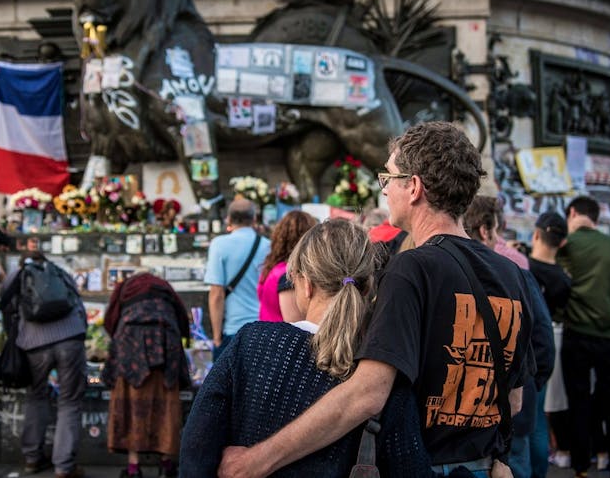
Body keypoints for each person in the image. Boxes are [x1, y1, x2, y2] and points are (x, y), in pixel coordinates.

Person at [218, 121, 531, 478]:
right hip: (484, 467)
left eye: (388, 178)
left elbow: (366, 394)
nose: (384, 191)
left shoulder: (411, 269)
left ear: (413, 187)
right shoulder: (512, 275)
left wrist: (257, 461)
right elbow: (515, 400)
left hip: (421, 466)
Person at [184, 218, 445, 477]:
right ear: (368, 288)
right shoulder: (380, 373)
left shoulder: (252, 343)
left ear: (306, 284)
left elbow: (197, 447)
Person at [463, 197, 555, 478]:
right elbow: (542, 337)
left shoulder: (448, 270)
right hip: (505, 406)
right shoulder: (514, 272)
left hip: (470, 413)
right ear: (485, 230)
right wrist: (531, 381)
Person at [556, 196, 610, 478]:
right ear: (596, 217)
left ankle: (581, 467)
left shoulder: (565, 247)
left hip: (575, 335)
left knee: (577, 403)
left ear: (572, 213)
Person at [0, 253, 87, 478]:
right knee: (69, 401)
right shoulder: (58, 272)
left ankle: (32, 458)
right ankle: (64, 466)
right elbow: (78, 303)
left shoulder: (15, 276)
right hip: (70, 338)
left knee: (36, 396)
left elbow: (6, 309)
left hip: (34, 343)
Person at [104, 273, 190, 478]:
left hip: (129, 341)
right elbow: (182, 318)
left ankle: (133, 468)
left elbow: (110, 320)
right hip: (165, 337)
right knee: (166, 399)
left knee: (129, 402)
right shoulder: (165, 288)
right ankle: (166, 464)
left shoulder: (124, 288)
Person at [527, 211, 572, 473]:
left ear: (536, 234)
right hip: (549, 347)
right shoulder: (564, 280)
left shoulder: (522, 267)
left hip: (525, 348)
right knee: (540, 420)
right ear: (562, 242)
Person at [203, 198, 270, 357]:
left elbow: (216, 294)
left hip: (233, 328)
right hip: (263, 328)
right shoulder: (268, 246)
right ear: (254, 219)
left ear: (229, 219)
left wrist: (216, 336)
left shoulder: (219, 245)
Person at [257, 210, 316, 322]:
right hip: (279, 337)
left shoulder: (272, 267)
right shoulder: (289, 273)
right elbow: (294, 322)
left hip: (267, 334)